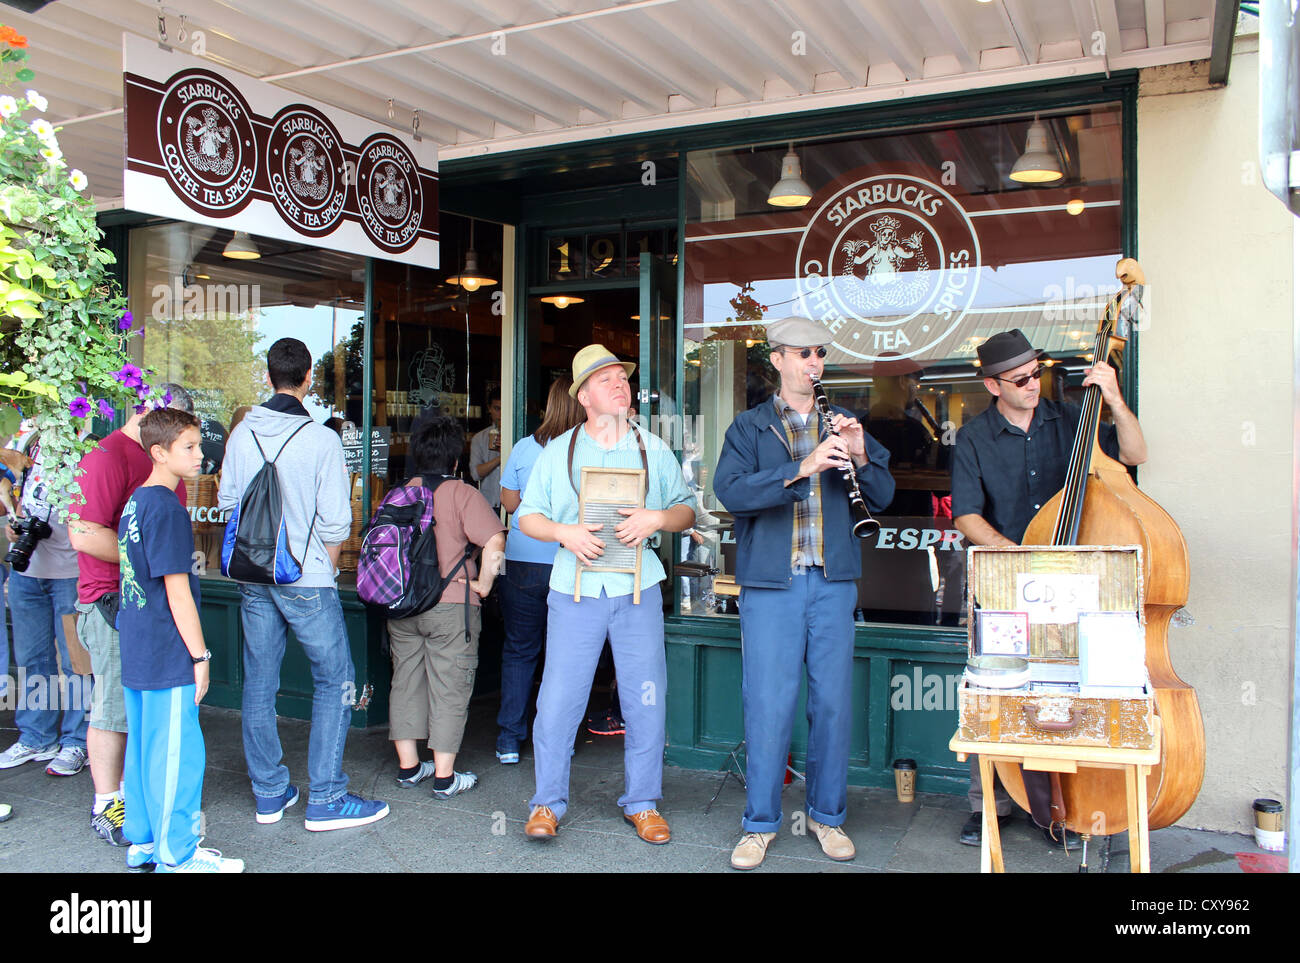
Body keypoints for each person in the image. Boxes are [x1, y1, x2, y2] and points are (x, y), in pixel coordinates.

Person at [950, 328, 1147, 850]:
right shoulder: (973, 438)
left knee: (1071, 685)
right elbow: (967, 514)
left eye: (1037, 373)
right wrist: (1018, 556)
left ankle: (1068, 804)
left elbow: (1135, 454)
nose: (1034, 384)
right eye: (1020, 379)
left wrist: (1114, 401)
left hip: (1079, 580)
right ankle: (987, 803)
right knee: (996, 690)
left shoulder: (1072, 420)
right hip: (1009, 578)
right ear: (993, 386)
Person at [714, 316, 895, 870]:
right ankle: (760, 823)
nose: (814, 362)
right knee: (768, 704)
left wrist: (861, 454)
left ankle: (827, 816)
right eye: (803, 354)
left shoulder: (842, 422)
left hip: (832, 580)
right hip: (774, 582)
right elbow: (730, 491)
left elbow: (883, 496)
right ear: (778, 360)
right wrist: (802, 467)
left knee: (833, 703)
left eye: (819, 353)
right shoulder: (749, 427)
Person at [516, 344, 695, 844]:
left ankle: (642, 802)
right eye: (608, 380)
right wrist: (564, 533)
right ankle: (546, 804)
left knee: (646, 700)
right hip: (574, 591)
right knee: (558, 702)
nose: (621, 385)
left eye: (623, 378)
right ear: (585, 397)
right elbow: (527, 515)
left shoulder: (652, 448)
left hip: (637, 588)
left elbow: (685, 510)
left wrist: (657, 518)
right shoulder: (560, 450)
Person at [218, 338, 388, 831]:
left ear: (268, 377)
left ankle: (270, 793)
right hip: (307, 577)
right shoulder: (320, 440)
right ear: (308, 377)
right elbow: (337, 522)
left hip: (252, 577)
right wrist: (324, 567)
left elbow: (228, 502)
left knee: (259, 683)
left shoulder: (240, 434)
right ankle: (327, 798)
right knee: (335, 681)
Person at [117, 407, 242, 872]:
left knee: (145, 748)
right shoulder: (166, 507)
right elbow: (176, 589)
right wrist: (200, 654)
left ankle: (146, 843)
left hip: (137, 644)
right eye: (188, 446)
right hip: (166, 649)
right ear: (159, 452)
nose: (199, 453)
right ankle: (177, 854)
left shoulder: (137, 500)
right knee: (177, 755)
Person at [68, 386, 192, 847]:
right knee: (113, 707)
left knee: (139, 707)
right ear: (146, 413)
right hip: (111, 601)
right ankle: (106, 803)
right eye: (172, 422)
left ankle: (135, 796)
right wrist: (143, 558)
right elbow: (82, 533)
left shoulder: (159, 460)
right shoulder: (107, 456)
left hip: (150, 600)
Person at [387, 416, 506, 794]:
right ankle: (444, 776)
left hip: (402, 605)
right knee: (449, 685)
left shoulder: (399, 492)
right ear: (455, 460)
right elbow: (494, 543)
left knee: (405, 682)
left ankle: (409, 768)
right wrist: (483, 585)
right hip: (451, 604)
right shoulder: (461, 493)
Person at [495, 376, 585, 765]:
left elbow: (510, 503)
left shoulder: (524, 448)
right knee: (565, 657)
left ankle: (508, 739)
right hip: (571, 561)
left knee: (519, 650)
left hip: (523, 562)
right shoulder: (587, 450)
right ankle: (559, 739)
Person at [0, 429, 93, 777]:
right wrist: (15, 524)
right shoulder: (26, 441)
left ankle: (78, 740)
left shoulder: (86, 445)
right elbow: (12, 491)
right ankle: (36, 736)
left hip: (70, 572)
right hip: (26, 569)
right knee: (32, 658)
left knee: (76, 661)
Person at [469, 393, 502, 511]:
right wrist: (500, 458)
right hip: (487, 503)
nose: (501, 414)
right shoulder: (479, 438)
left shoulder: (519, 437)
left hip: (513, 503)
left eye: (504, 408)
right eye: (497, 408)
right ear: (489, 409)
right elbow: (475, 474)